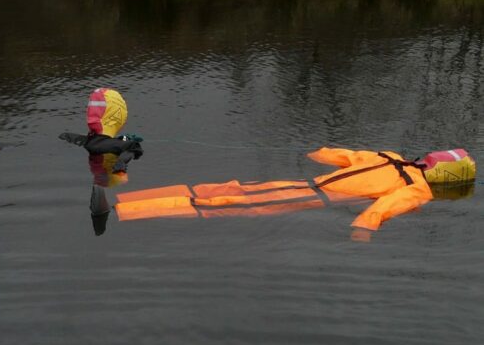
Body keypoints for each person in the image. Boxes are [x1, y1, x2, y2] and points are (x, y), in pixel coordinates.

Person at [113, 147, 475, 235]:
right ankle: (122, 211)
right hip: (306, 197)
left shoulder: (390, 156)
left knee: (222, 189)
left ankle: (122, 198)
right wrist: (363, 231)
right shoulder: (418, 190)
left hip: (299, 184)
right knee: (220, 204)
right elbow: (383, 208)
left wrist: (313, 153)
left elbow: (337, 154)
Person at [59, 88, 144, 235]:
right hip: (111, 172)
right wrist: (122, 163)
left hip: (90, 147)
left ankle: (100, 202)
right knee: (116, 181)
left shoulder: (69, 137)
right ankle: (103, 208)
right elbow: (134, 150)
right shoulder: (125, 145)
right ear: (118, 115)